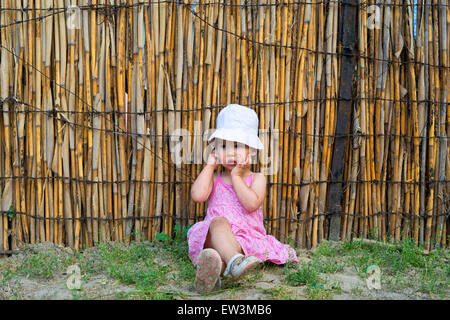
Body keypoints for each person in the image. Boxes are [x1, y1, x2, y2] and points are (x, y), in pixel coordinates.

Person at [188, 104, 298, 293]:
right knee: (218, 224)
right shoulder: (214, 178)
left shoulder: (257, 178)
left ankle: (224, 266)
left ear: (252, 150)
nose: (229, 152)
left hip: (243, 240)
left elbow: (251, 205)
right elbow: (198, 196)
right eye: (223, 146)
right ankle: (228, 265)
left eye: (237, 146)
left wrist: (237, 177)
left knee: (218, 251)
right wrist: (209, 167)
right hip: (213, 235)